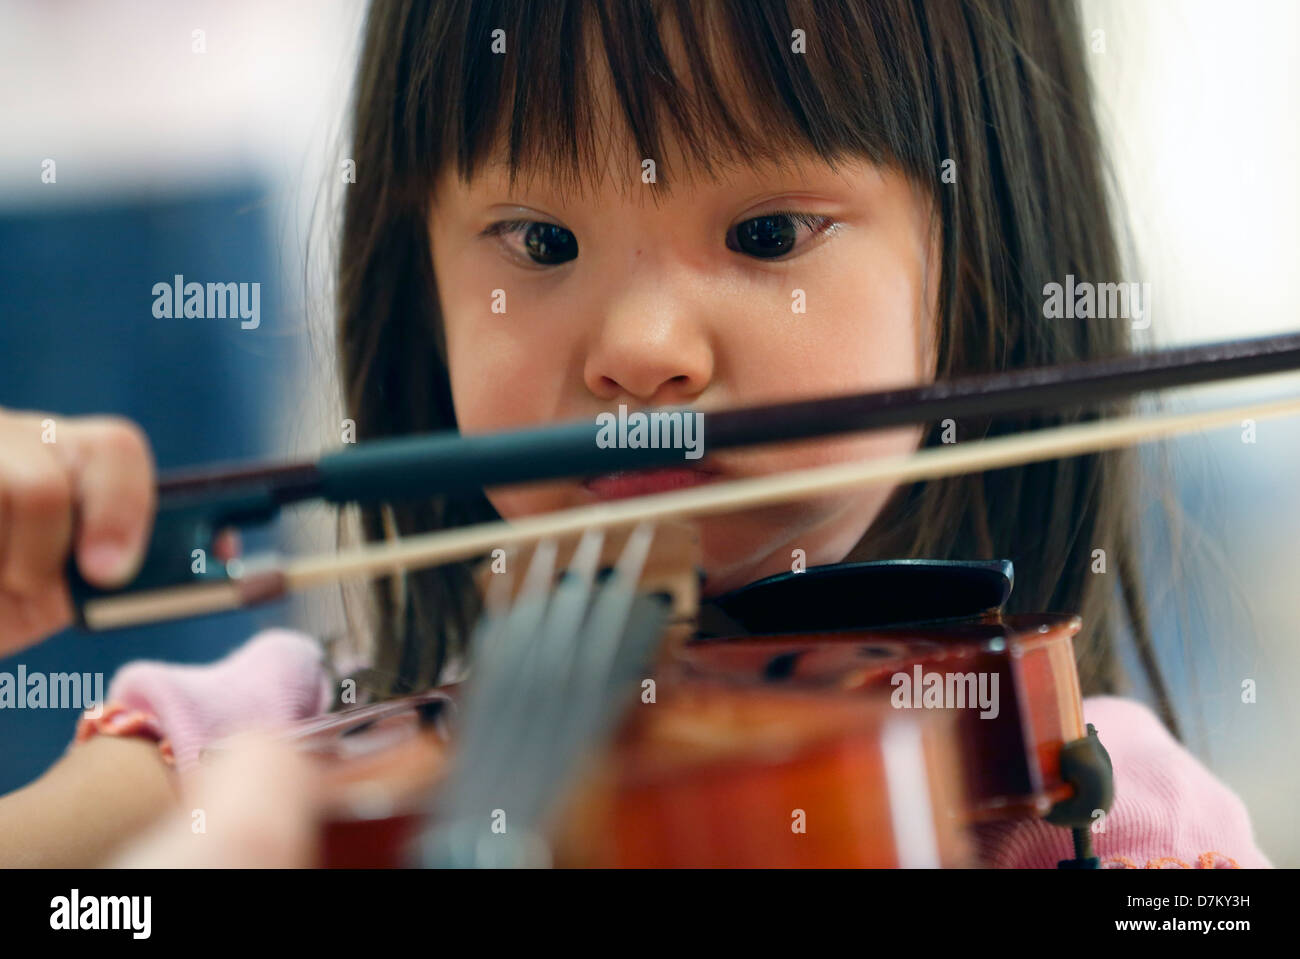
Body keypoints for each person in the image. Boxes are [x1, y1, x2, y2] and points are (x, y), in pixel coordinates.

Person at [0, 0, 1271, 867]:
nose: (643, 344)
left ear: (977, 257)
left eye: (767, 234)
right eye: (540, 242)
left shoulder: (1106, 809)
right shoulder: (272, 739)